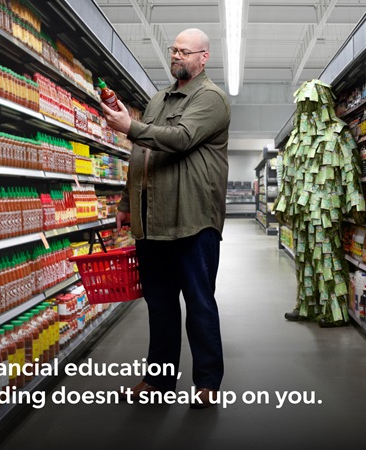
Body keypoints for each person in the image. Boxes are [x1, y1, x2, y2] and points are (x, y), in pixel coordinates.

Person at [102, 28, 231, 409]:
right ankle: (158, 382)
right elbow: (141, 153)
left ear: (204, 57)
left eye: (185, 52)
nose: (176, 56)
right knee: (159, 306)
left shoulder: (211, 98)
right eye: (173, 50)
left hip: (192, 220)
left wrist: (131, 127)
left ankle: (207, 383)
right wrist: (126, 202)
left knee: (199, 303)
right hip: (152, 220)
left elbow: (180, 138)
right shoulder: (158, 98)